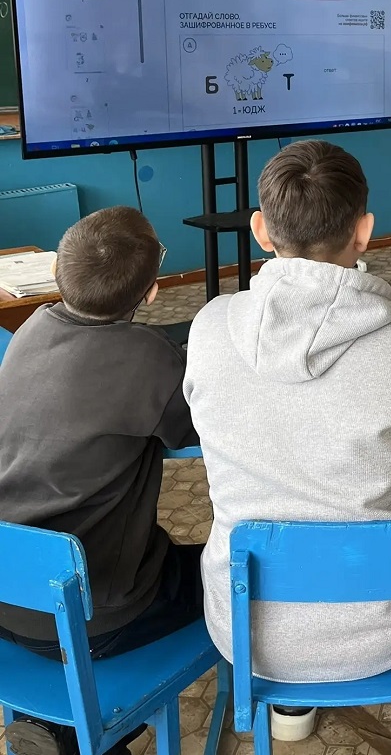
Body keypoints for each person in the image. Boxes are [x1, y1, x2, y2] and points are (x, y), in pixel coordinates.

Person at [183, 140, 391, 740]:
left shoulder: (207, 329)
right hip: (389, 623)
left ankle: (289, 703)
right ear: (364, 231)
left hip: (247, 628)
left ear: (260, 230)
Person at [0, 206, 201, 755]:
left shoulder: (30, 329)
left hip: (9, 592)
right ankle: (87, 735)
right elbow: (195, 426)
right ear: (152, 292)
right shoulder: (148, 360)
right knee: (228, 575)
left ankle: (58, 728)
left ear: (58, 274)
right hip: (93, 617)